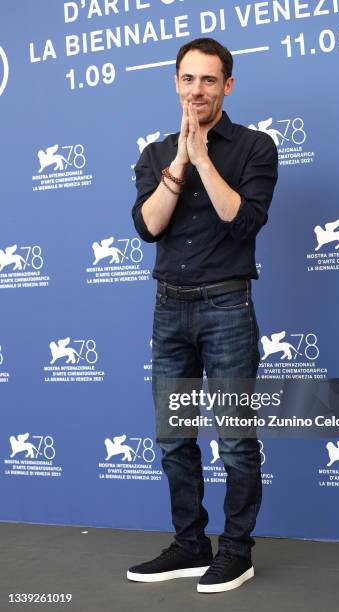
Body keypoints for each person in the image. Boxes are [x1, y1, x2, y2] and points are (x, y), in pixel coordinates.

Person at [127, 37, 278, 593]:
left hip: (227, 306)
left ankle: (236, 552)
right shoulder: (155, 154)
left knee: (236, 438)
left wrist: (204, 158)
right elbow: (150, 226)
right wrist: (180, 160)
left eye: (209, 80)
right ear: (175, 83)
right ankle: (190, 544)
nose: (198, 91)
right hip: (169, 309)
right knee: (174, 437)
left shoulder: (256, 148)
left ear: (227, 86)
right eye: (188, 79)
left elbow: (241, 222)